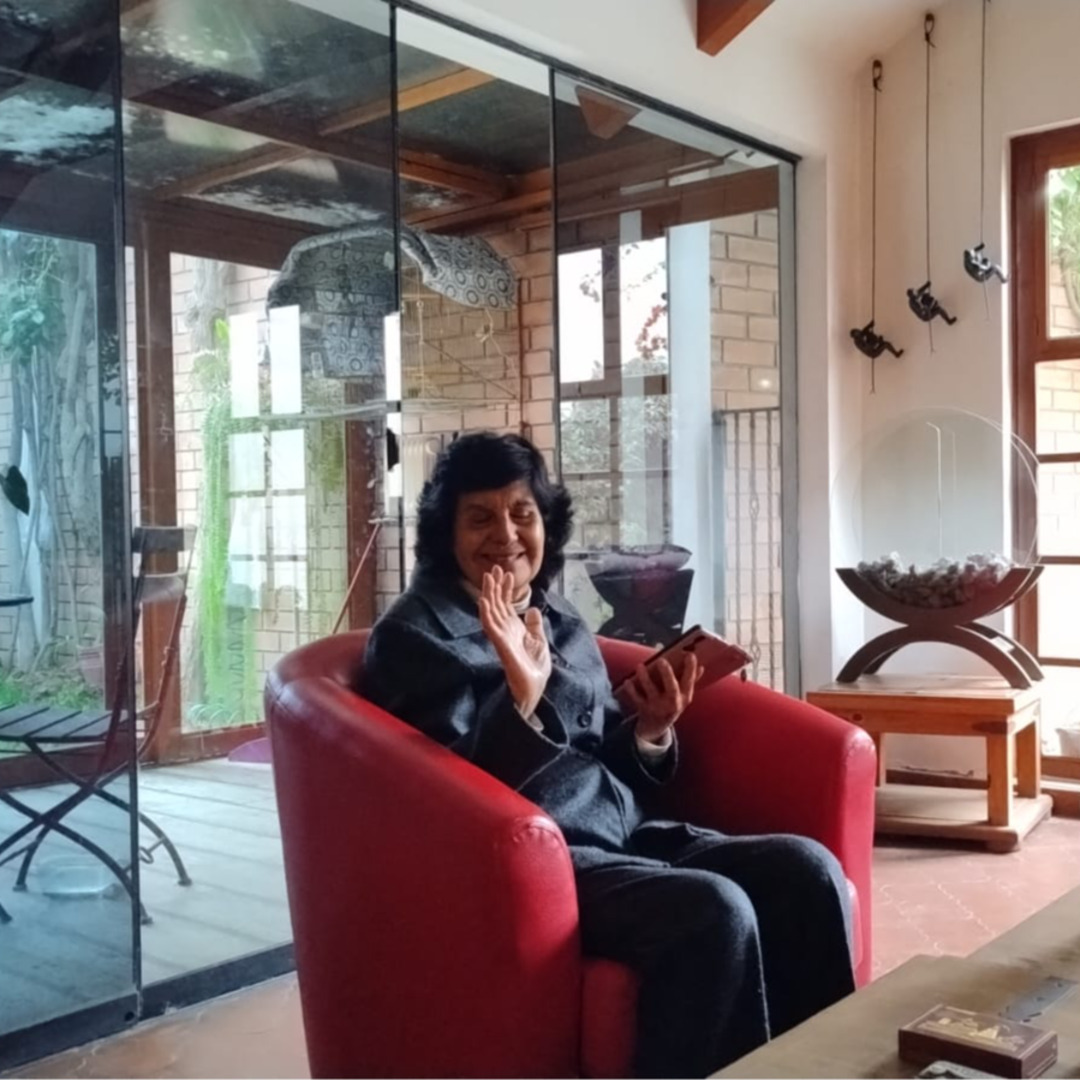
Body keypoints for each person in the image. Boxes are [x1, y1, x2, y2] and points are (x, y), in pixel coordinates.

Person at [362, 432, 855, 1078]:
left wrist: (651, 729)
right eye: (480, 518)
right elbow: (451, 804)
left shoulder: (557, 616)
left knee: (806, 871)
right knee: (713, 910)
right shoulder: (413, 637)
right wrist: (520, 699)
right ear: (444, 533)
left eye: (522, 514)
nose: (505, 536)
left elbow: (602, 755)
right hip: (541, 868)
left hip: (627, 836)